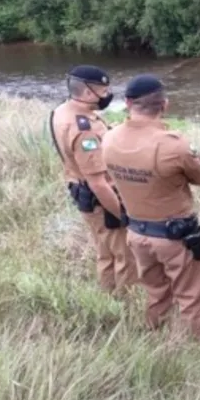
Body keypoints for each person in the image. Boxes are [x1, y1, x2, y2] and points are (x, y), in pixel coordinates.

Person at [101, 74, 200, 341]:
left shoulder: (109, 138)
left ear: (128, 103)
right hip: (175, 238)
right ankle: (195, 351)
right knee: (192, 296)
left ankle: (155, 338)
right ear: (164, 105)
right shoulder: (173, 145)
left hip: (137, 233)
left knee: (155, 292)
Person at [48, 64, 137, 296]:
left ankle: (108, 297)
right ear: (88, 93)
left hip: (82, 191)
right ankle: (125, 303)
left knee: (105, 251)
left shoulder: (62, 111)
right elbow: (98, 182)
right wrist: (123, 215)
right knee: (125, 254)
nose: (108, 95)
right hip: (101, 198)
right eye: (104, 90)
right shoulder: (83, 128)